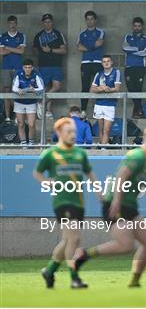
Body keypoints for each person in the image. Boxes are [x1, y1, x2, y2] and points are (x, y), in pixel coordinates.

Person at [73, 125, 146, 288]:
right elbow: (121, 177)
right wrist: (116, 202)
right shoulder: (137, 156)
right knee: (125, 245)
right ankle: (84, 254)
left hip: (130, 207)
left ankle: (135, 281)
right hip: (116, 205)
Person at [34, 117, 99, 289]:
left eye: (74, 132)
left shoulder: (80, 153)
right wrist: (47, 182)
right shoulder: (51, 154)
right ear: (59, 133)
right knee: (75, 238)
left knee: (67, 240)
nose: (72, 134)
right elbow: (37, 173)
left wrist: (99, 192)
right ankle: (74, 278)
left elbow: (90, 173)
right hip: (61, 201)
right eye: (69, 131)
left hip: (78, 201)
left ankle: (49, 270)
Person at [33, 13, 67, 120]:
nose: (47, 23)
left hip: (56, 65)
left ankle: (40, 102)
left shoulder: (58, 34)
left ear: (52, 22)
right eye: (45, 22)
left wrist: (50, 50)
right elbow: (34, 49)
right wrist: (40, 54)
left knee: (56, 86)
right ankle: (47, 111)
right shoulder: (38, 35)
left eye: (49, 21)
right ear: (43, 23)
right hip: (43, 65)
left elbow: (64, 50)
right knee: (45, 88)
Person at [77, 10, 105, 119]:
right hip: (85, 63)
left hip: (98, 63)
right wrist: (93, 46)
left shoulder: (100, 32)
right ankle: (83, 110)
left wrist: (87, 47)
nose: (90, 21)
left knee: (99, 86)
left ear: (95, 20)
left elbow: (100, 43)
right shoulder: (82, 33)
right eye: (88, 19)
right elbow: (79, 47)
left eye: (92, 19)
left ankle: (100, 109)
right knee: (85, 87)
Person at [90, 55, 122, 146]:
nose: (106, 63)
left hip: (110, 104)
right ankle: (102, 146)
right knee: (100, 128)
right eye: (104, 61)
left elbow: (117, 88)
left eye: (108, 61)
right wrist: (101, 89)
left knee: (106, 129)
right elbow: (92, 89)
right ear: (102, 63)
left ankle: (103, 148)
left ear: (111, 62)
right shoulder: (99, 73)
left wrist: (108, 89)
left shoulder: (116, 72)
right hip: (99, 104)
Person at [122, 17, 146, 119]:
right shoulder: (127, 37)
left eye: (139, 26)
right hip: (129, 66)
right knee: (131, 89)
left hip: (140, 67)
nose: (137, 28)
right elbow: (124, 48)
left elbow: (145, 52)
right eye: (135, 26)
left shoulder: (145, 38)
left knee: (138, 89)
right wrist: (138, 48)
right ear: (132, 26)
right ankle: (139, 108)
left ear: (142, 26)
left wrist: (131, 49)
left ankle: (137, 110)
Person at [12, 59, 44, 146]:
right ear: (23, 67)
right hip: (19, 102)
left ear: (32, 67)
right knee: (21, 124)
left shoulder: (36, 73)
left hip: (31, 102)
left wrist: (34, 90)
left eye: (29, 67)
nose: (27, 69)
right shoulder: (18, 73)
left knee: (31, 124)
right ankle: (23, 144)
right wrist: (19, 90)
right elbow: (14, 88)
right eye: (26, 67)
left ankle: (31, 143)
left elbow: (41, 88)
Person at [1, 15, 26, 122]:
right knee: (6, 91)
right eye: (10, 23)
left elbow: (21, 51)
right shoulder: (2, 36)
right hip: (6, 67)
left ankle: (17, 116)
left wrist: (7, 47)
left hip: (18, 67)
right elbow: (1, 52)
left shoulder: (21, 36)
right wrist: (15, 48)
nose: (12, 25)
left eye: (14, 23)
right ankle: (7, 116)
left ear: (16, 23)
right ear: (8, 24)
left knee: (17, 91)